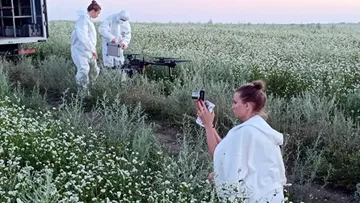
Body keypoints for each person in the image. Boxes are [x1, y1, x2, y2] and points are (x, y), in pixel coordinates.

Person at [196, 80, 287, 203]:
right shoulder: (259, 127)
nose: (233, 107)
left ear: (247, 106)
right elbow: (225, 148)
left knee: (213, 177)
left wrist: (207, 125)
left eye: (235, 102)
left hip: (255, 198)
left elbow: (219, 155)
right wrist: (210, 125)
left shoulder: (247, 131)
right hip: (272, 195)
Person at [70, 1, 101, 96]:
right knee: (83, 70)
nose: (98, 15)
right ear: (93, 11)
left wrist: (93, 49)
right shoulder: (83, 20)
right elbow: (83, 37)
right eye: (98, 13)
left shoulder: (87, 20)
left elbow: (90, 37)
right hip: (80, 50)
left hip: (88, 51)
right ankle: (83, 94)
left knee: (94, 70)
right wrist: (92, 49)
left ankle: (92, 87)